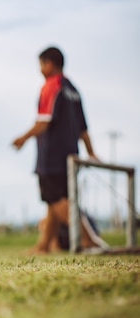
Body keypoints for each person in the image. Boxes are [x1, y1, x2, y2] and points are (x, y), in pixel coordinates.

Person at [12, 46, 102, 254]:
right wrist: (90, 152)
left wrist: (23, 138)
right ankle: (43, 246)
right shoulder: (73, 90)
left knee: (55, 199)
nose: (40, 70)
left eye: (41, 65)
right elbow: (83, 128)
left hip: (52, 155)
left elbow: (43, 122)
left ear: (49, 64)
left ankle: (88, 239)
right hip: (70, 154)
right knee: (55, 199)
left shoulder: (52, 86)